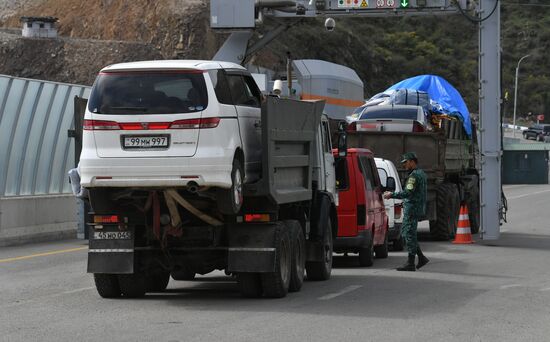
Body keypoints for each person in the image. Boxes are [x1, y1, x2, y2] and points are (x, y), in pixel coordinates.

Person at [383, 152, 429, 271]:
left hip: (412, 208)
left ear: (412, 161)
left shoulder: (413, 176)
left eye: (406, 162)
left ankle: (411, 263)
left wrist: (391, 194)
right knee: (411, 234)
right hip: (416, 208)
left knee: (408, 234)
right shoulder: (421, 173)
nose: (404, 165)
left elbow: (407, 193)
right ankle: (421, 258)